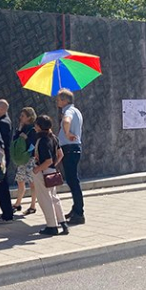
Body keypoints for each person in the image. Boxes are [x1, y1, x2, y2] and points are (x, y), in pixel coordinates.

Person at [31, 115, 67, 236]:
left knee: (45, 199)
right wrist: (53, 166)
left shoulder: (42, 140)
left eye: (36, 124)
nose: (34, 127)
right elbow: (60, 154)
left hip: (43, 172)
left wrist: (37, 169)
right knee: (54, 197)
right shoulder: (54, 137)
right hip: (52, 172)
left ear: (40, 126)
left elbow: (48, 160)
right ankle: (62, 222)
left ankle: (52, 226)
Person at [57, 88, 85, 225]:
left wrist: (66, 133)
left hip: (69, 149)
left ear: (65, 100)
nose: (57, 101)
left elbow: (67, 121)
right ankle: (76, 209)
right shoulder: (76, 111)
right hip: (73, 148)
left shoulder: (68, 111)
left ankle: (79, 213)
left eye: (59, 99)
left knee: (73, 181)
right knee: (73, 181)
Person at [0, 99, 15, 224]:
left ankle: (7, 214)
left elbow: (1, 143)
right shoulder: (4, 121)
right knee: (1, 185)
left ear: (2, 108)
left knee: (1, 186)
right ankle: (6, 211)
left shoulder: (3, 123)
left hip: (1, 158)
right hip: (2, 157)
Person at [12, 107, 38, 215]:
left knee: (32, 182)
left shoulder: (33, 129)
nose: (20, 117)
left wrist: (26, 139)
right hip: (22, 159)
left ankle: (33, 205)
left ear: (29, 117)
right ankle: (18, 203)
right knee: (20, 180)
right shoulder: (22, 128)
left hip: (30, 158)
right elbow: (15, 140)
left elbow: (33, 144)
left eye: (23, 116)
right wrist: (19, 129)